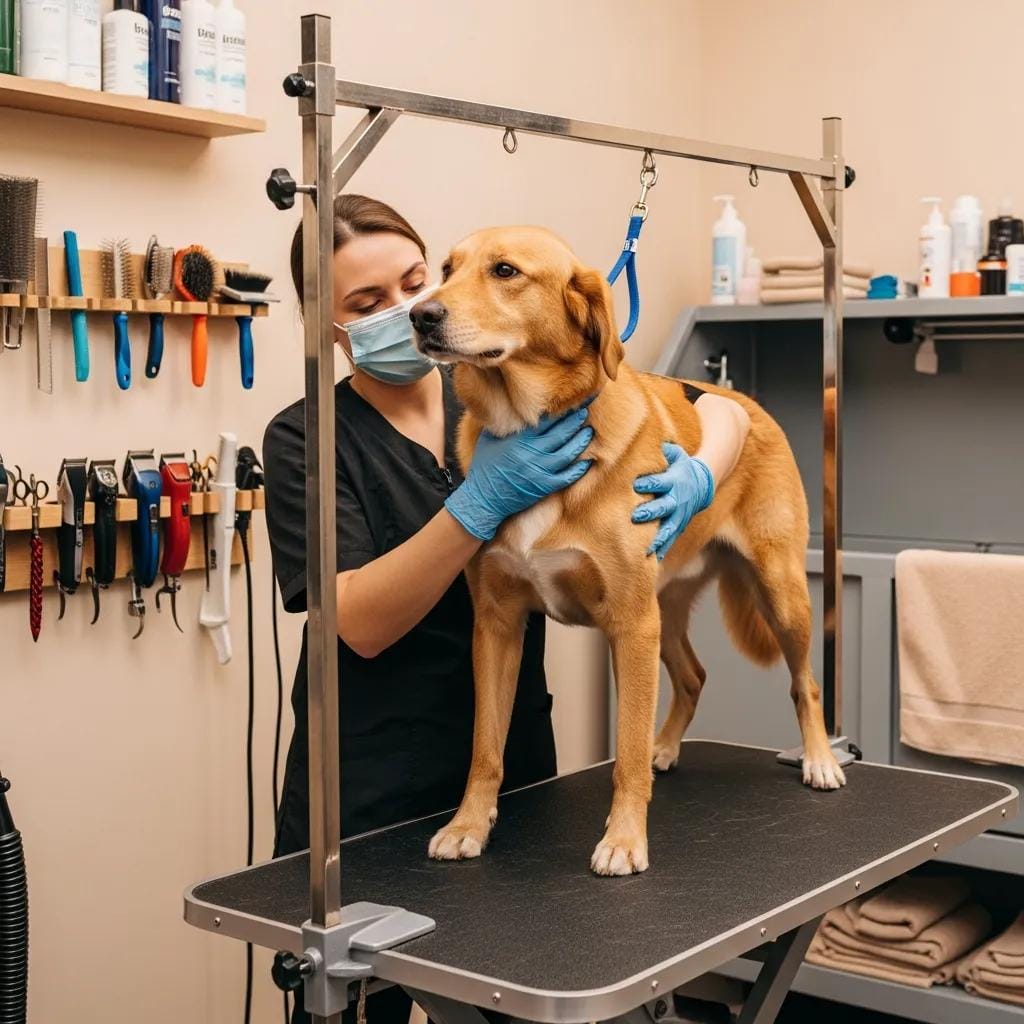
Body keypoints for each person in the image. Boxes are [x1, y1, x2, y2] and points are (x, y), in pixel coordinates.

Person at [263, 194, 751, 1024]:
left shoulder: (501, 383)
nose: (416, 310)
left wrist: (708, 468)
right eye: (366, 304)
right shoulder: (307, 437)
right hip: (370, 796)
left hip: (516, 786)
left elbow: (719, 406)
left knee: (527, 992)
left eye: (419, 280)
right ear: (328, 328)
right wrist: (478, 505)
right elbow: (359, 623)